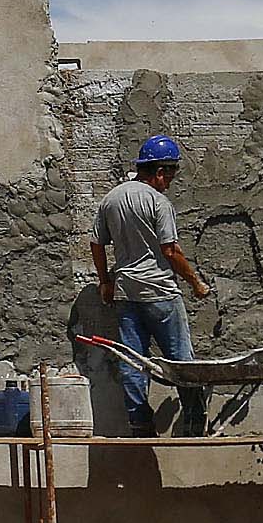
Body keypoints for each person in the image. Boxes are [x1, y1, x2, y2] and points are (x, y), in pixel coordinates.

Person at [90, 134, 211, 435]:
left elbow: (96, 243)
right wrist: (195, 282)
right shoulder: (158, 202)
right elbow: (170, 251)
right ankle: (195, 423)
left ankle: (140, 423)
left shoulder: (111, 199)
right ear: (159, 172)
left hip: (126, 294)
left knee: (132, 361)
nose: (170, 182)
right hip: (160, 293)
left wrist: (105, 281)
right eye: (169, 174)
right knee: (181, 359)